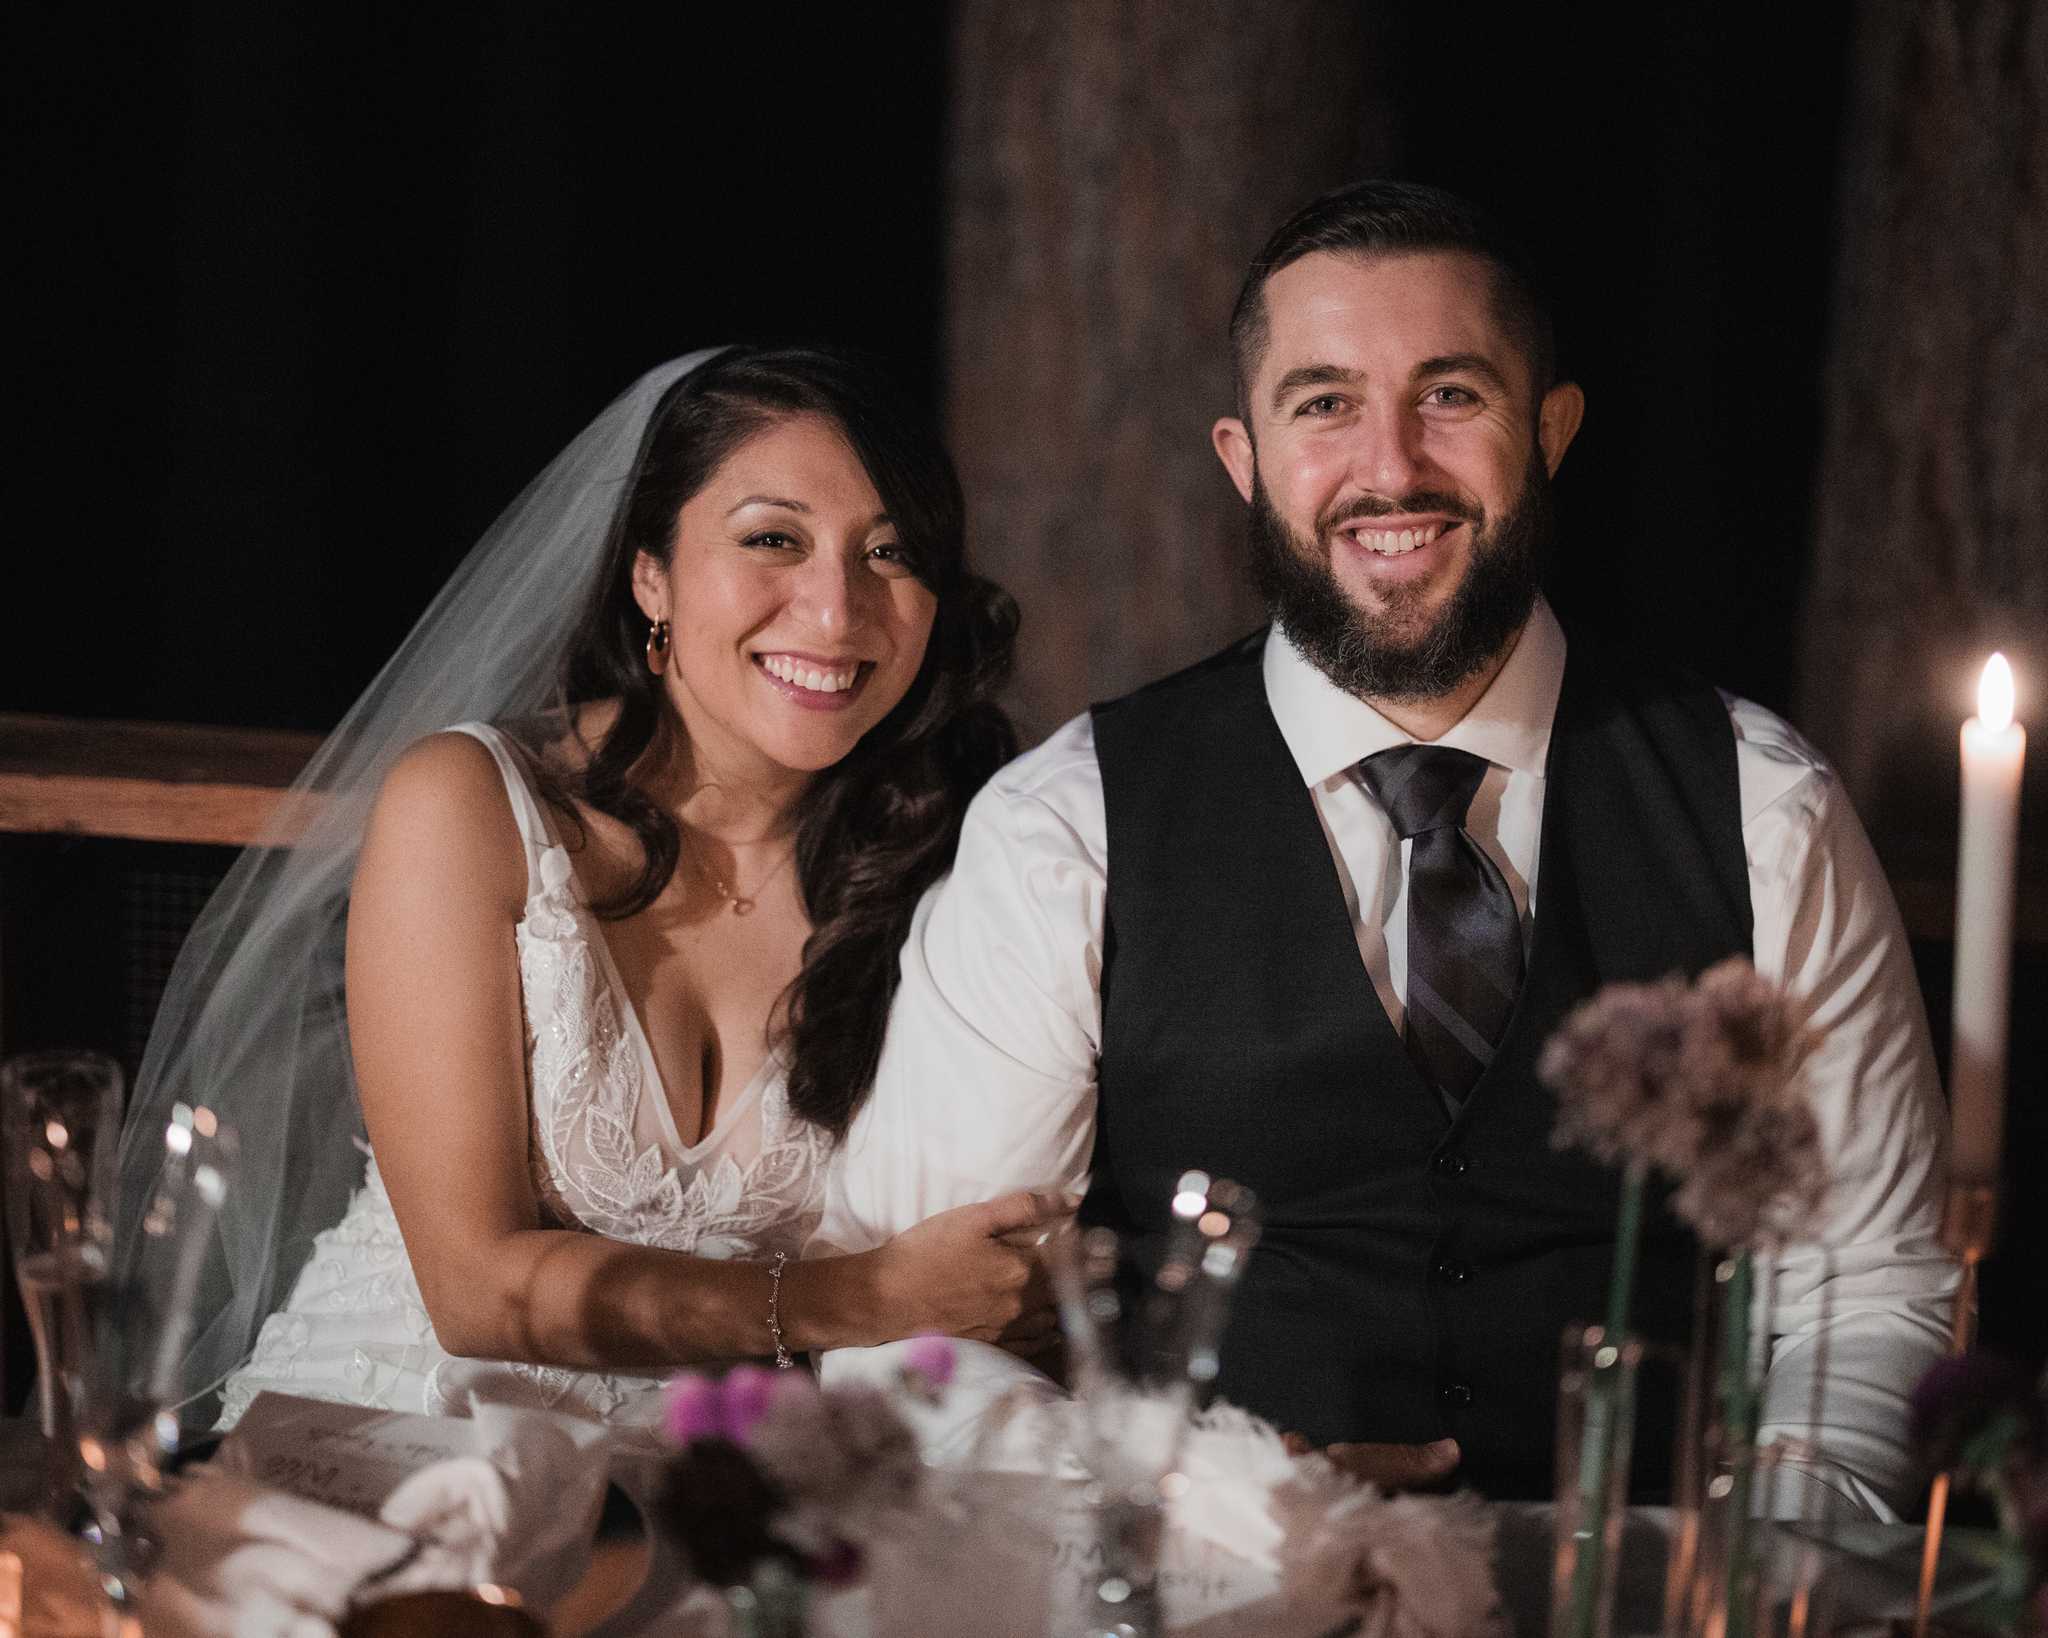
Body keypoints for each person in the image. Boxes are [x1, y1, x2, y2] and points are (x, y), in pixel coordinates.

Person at [820, 182, 1955, 1517]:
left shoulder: (1767, 808)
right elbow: (914, 1343)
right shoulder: (1064, 828)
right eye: (1326, 404)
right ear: (1244, 458)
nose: (1393, 464)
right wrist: (1214, 1510)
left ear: (1552, 429)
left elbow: (1869, 1282)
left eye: (1453, 395)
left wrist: (1750, 1565)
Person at [115, 345, 1062, 1431]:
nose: (837, 608)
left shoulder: (952, 853)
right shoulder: (470, 807)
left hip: (724, 1486)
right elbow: (474, 1291)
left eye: (888, 552)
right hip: (402, 1423)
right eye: (772, 540)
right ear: (649, 573)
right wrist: (858, 1300)